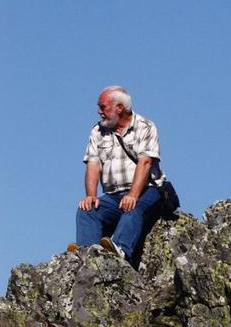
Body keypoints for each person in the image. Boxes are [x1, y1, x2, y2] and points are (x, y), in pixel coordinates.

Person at [68, 86, 166, 265]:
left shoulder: (145, 126)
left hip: (147, 190)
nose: (99, 112)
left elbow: (145, 163)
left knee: (133, 208)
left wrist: (133, 195)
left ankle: (118, 251)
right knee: (86, 211)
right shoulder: (97, 131)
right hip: (113, 196)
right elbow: (92, 164)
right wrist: (91, 196)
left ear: (119, 108)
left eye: (103, 107)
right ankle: (87, 255)